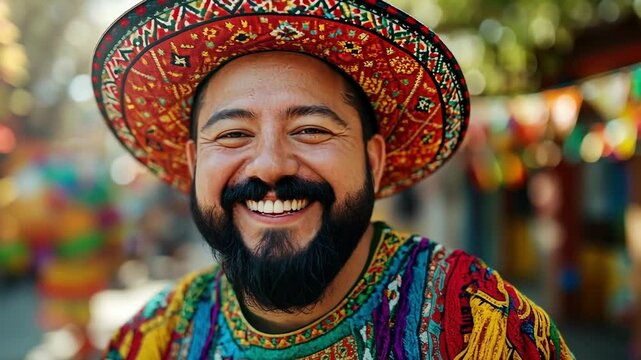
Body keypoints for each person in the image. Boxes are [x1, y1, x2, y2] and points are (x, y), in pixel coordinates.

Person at [92, 0, 574, 358]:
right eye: (234, 134)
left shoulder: (480, 326)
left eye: (311, 130)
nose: (270, 166)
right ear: (195, 164)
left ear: (374, 160)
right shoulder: (156, 338)